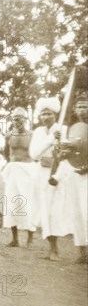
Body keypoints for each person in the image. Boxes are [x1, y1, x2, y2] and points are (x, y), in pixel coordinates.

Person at [29, 97, 72, 261]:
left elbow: (65, 156)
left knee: (54, 212)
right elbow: (34, 154)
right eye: (43, 114)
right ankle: (52, 248)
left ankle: (55, 250)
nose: (45, 117)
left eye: (49, 114)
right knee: (42, 212)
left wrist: (58, 176)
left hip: (56, 176)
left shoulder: (63, 130)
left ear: (55, 115)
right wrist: (50, 139)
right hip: (40, 174)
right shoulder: (39, 132)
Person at [1, 107, 36, 248]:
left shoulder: (32, 135)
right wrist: (11, 164)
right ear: (12, 120)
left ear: (25, 119)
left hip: (28, 170)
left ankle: (30, 238)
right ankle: (15, 239)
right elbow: (5, 152)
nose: (17, 121)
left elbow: (36, 152)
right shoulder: (8, 135)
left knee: (27, 203)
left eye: (20, 118)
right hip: (13, 170)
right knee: (11, 204)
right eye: (15, 118)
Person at [60, 92, 88, 263]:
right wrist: (62, 149)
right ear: (75, 109)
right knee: (77, 212)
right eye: (80, 107)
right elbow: (67, 154)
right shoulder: (73, 128)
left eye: (86, 107)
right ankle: (82, 252)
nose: (83, 110)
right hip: (76, 173)